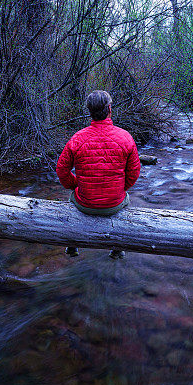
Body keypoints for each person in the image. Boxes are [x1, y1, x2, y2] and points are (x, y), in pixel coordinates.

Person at [56, 90, 141, 259]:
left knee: (72, 198)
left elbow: (62, 170)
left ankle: (72, 246)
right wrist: (119, 188)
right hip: (114, 203)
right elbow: (134, 173)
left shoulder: (77, 139)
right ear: (110, 109)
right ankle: (117, 249)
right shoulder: (125, 137)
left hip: (84, 203)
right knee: (127, 200)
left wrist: (76, 185)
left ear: (89, 111)